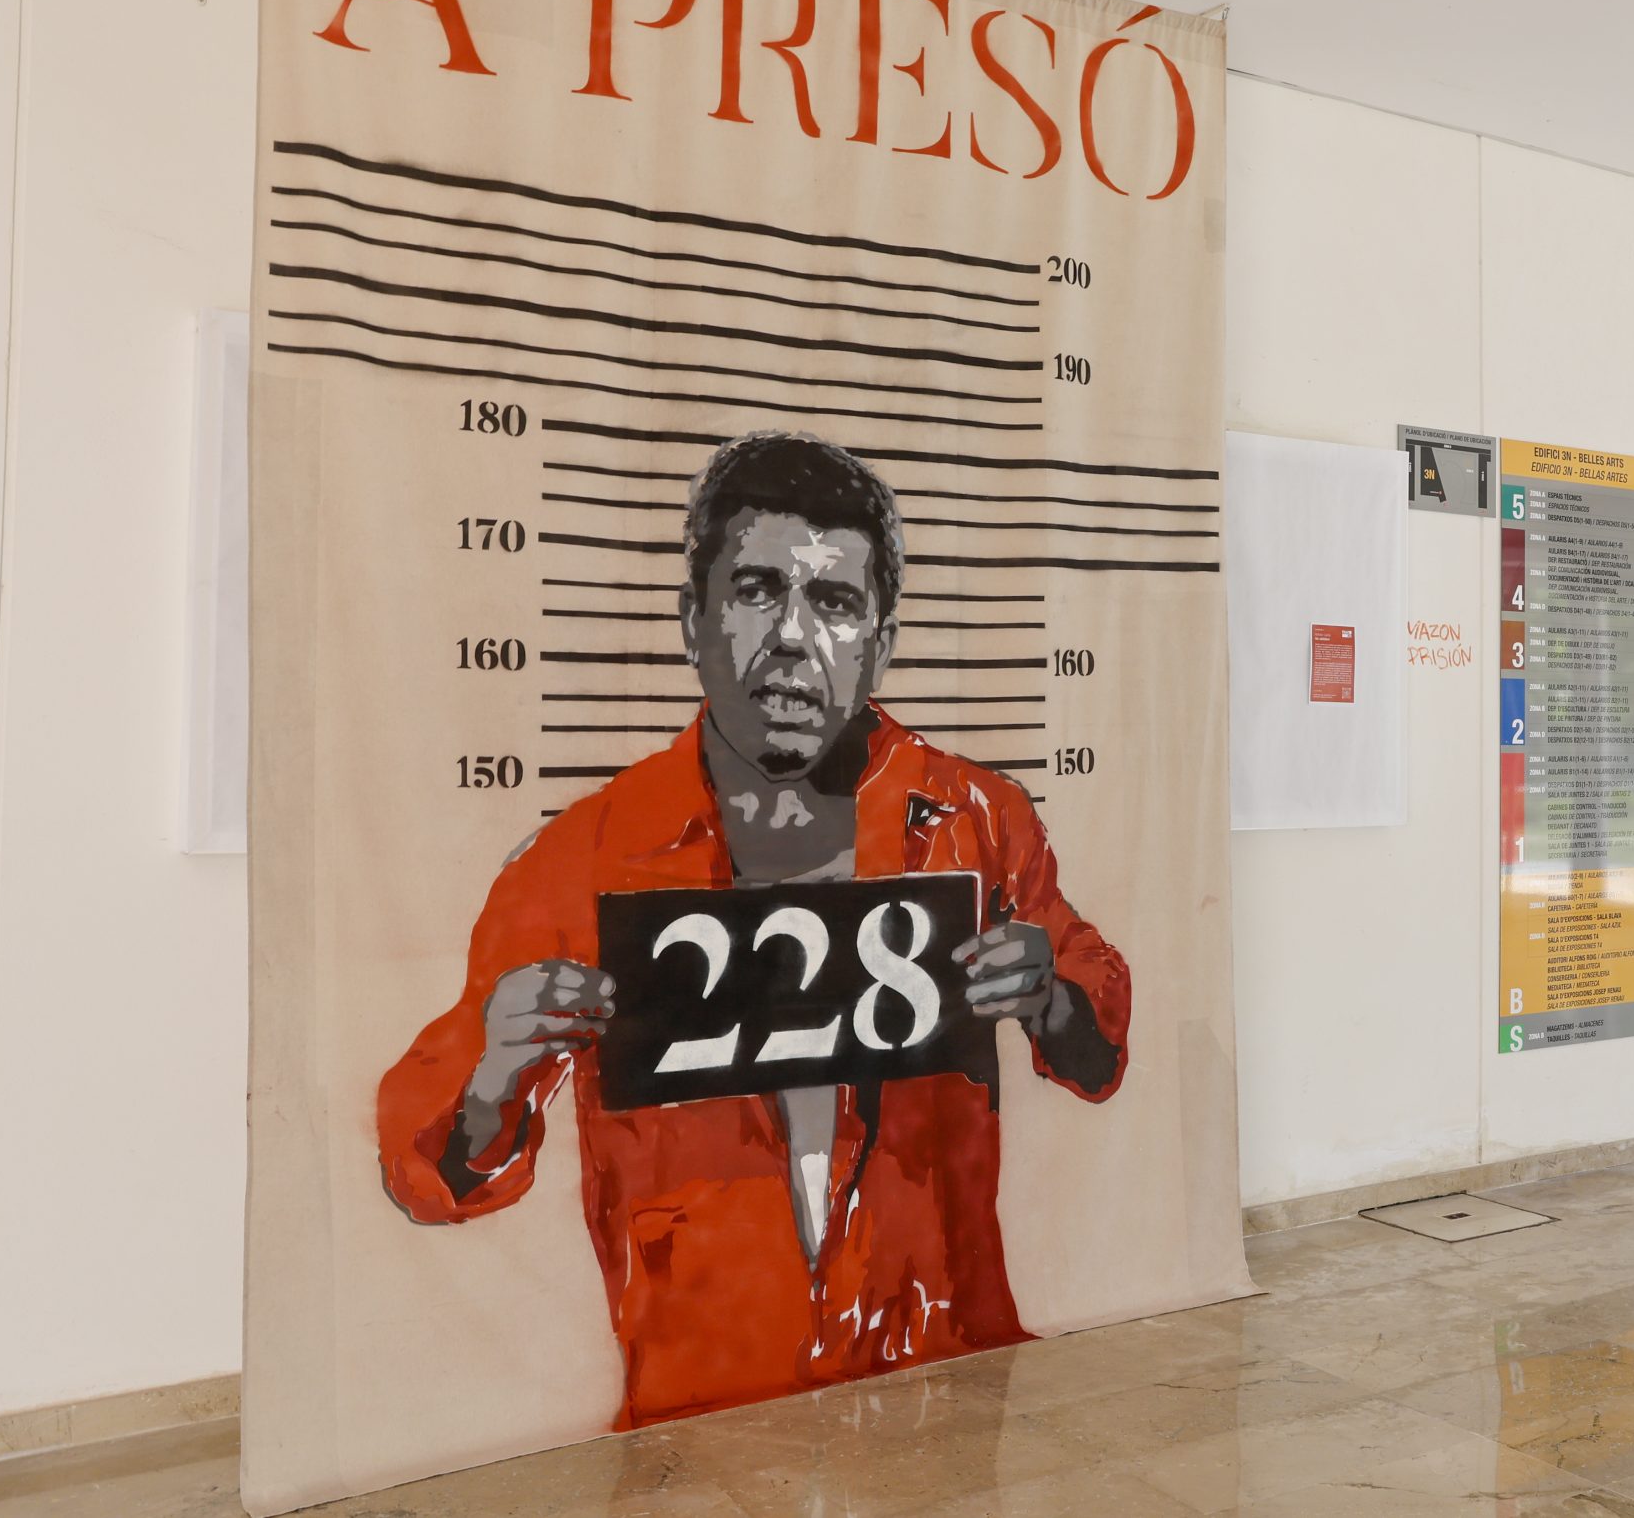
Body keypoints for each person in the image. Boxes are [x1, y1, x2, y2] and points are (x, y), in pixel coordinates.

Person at [376, 430, 1130, 1429]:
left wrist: (1048, 997)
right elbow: (429, 1168)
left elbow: (1098, 1044)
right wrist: (494, 1073)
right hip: (702, 1413)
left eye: (835, 601)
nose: (793, 637)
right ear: (692, 619)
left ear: (880, 642)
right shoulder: (581, 860)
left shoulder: (979, 821)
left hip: (941, 1381)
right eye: (757, 590)